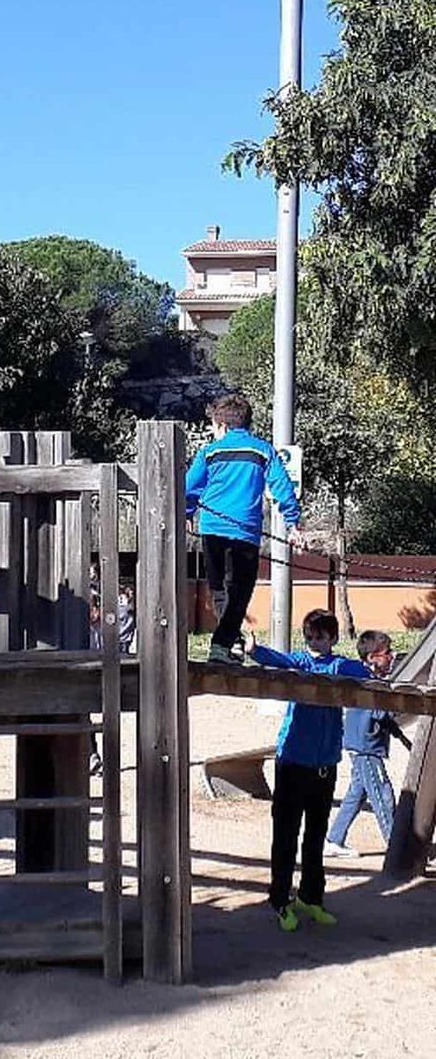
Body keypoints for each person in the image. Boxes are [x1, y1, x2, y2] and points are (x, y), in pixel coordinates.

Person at [243, 609, 372, 931]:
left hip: (325, 765)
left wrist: (376, 663)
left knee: (315, 838)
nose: (314, 642)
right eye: (310, 636)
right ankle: (280, 900)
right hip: (292, 762)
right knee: (285, 836)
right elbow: (277, 659)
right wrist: (255, 651)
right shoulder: (301, 662)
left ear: (332, 639)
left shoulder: (341, 666)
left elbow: (363, 671)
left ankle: (311, 898)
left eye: (321, 637)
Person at [186, 393, 305, 664]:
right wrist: (293, 523)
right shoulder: (262, 450)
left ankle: (231, 643)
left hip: (212, 529)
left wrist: (187, 512)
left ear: (223, 426)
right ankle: (222, 645)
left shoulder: (210, 451)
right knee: (239, 592)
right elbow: (282, 486)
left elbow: (189, 485)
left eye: (214, 427)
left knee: (219, 589)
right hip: (245, 533)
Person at [325, 630, 412, 858]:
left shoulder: (373, 680)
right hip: (366, 747)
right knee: (383, 794)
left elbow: (381, 717)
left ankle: (334, 840)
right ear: (372, 657)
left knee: (357, 794)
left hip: (363, 744)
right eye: (387, 653)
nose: (392, 656)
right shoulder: (367, 682)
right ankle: (397, 849)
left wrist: (400, 736)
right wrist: (402, 704)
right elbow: (379, 712)